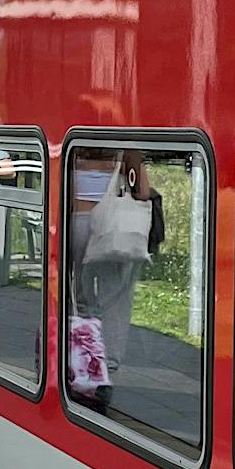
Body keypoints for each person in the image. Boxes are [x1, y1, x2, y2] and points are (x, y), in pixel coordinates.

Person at [67, 148, 151, 410]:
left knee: (81, 297)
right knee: (115, 300)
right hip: (112, 227)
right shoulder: (124, 145)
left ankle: (85, 362)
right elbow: (142, 192)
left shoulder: (79, 146)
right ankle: (108, 365)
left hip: (78, 223)